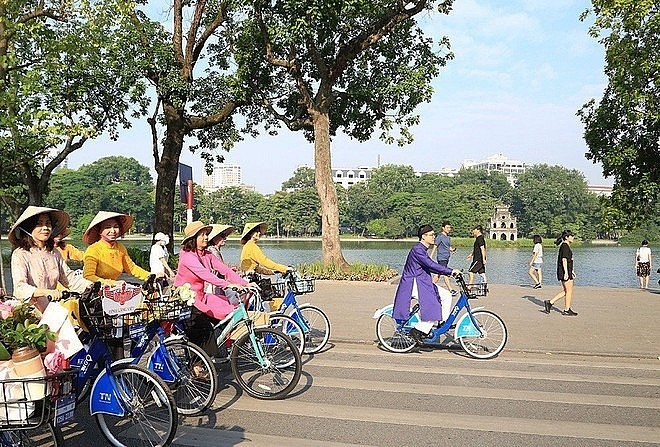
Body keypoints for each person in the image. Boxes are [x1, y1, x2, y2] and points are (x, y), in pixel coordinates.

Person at [174, 221, 251, 356]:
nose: (206, 237)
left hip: (201, 296)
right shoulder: (187, 256)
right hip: (187, 299)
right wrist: (228, 285)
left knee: (230, 309)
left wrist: (245, 283)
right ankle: (198, 364)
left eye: (206, 234)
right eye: (202, 235)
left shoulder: (207, 254)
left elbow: (225, 270)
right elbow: (206, 275)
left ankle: (218, 349)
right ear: (193, 239)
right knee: (204, 329)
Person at [9, 206, 91, 313]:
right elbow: (20, 288)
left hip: (51, 308)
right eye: (39, 224)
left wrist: (93, 286)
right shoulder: (20, 254)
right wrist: (46, 292)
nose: (45, 228)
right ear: (29, 227)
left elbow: (69, 278)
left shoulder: (54, 252)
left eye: (48, 223)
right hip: (30, 311)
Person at [393, 225, 460, 345]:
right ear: (423, 236)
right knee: (433, 307)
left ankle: (442, 323)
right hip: (413, 283)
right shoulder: (418, 249)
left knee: (446, 295)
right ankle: (417, 331)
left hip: (423, 282)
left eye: (434, 234)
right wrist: (450, 271)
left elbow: (430, 266)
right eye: (431, 235)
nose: (434, 237)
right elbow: (430, 264)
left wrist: (448, 272)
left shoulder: (423, 249)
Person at [82, 211, 151, 285]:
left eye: (116, 227)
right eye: (107, 227)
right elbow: (88, 276)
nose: (113, 231)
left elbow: (132, 268)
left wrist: (150, 276)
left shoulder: (120, 247)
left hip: (114, 289)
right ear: (99, 231)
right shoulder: (93, 250)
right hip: (95, 290)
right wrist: (112, 283)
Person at [544, 230, 577, 316]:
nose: (573, 237)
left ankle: (550, 302)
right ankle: (566, 309)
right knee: (568, 291)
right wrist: (566, 272)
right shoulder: (565, 246)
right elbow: (564, 259)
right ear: (566, 237)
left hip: (567, 270)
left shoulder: (565, 246)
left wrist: (572, 271)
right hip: (564, 271)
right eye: (571, 235)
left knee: (567, 291)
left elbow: (569, 260)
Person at [429, 221, 458, 295]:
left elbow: (446, 247)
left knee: (438, 273)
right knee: (444, 272)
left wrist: (451, 249)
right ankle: (451, 290)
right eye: (447, 227)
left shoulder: (448, 237)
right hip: (441, 257)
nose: (449, 229)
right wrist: (430, 257)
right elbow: (435, 246)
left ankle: (429, 287)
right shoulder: (440, 236)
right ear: (443, 228)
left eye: (450, 227)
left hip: (446, 257)